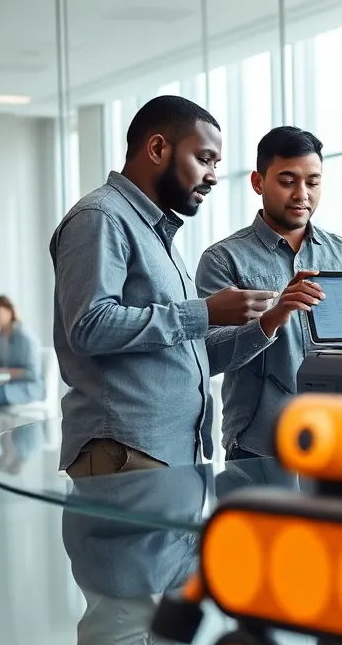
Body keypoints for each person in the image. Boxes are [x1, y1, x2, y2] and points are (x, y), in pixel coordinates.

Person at [51, 95, 290, 478]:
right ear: (158, 148)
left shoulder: (155, 234)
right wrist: (207, 311)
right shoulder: (100, 218)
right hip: (126, 453)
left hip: (167, 453)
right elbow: (89, 327)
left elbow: (188, 352)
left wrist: (266, 324)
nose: (212, 176)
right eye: (204, 159)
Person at [197, 126, 342, 460]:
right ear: (258, 182)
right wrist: (272, 319)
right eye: (287, 181)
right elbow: (206, 356)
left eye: (313, 181)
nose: (301, 194)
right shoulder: (223, 260)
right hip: (263, 445)